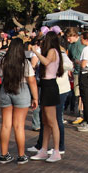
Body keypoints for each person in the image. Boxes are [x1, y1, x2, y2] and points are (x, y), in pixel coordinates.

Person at [0, 38, 38, 164]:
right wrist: (35, 97)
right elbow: (32, 81)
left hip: (5, 90)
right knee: (19, 126)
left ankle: (3, 154)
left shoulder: (1, 61)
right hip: (21, 91)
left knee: (6, 125)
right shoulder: (25, 63)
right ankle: (21, 155)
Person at [28, 31, 64, 163]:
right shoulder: (52, 51)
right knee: (45, 121)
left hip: (50, 86)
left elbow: (47, 62)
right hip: (46, 85)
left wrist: (36, 52)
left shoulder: (53, 51)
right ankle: (43, 149)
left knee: (52, 121)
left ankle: (56, 150)